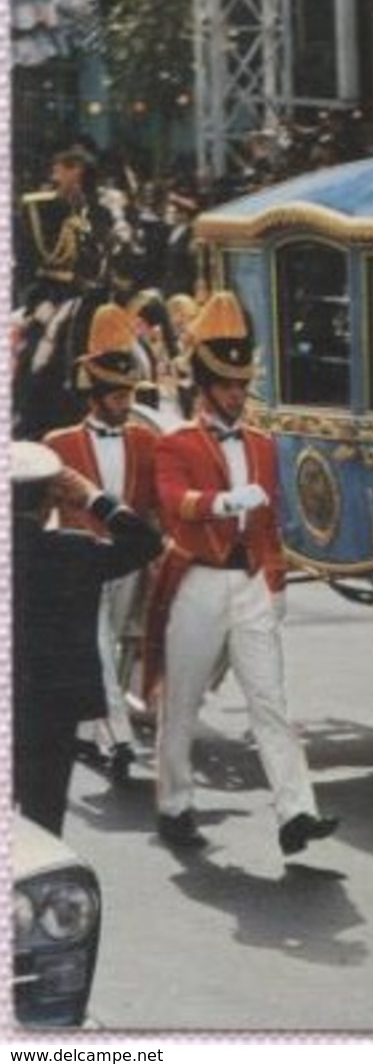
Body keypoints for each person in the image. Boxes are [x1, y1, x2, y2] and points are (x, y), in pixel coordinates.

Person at [147, 290, 339, 855]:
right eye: (228, 385)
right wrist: (225, 502)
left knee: (270, 701)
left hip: (250, 581)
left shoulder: (261, 443)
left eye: (241, 384)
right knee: (182, 700)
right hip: (198, 582)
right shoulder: (175, 443)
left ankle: (296, 812)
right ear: (205, 387)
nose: (237, 394)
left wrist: (275, 582)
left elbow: (270, 524)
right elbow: (173, 501)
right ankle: (175, 803)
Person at [12, 442, 162, 835]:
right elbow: (146, 542)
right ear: (49, 501)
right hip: (53, 711)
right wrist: (93, 498)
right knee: (42, 823)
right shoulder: (73, 552)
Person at [44, 303, 162, 783]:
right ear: (94, 394)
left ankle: (91, 731)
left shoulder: (145, 442)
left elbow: (155, 505)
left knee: (111, 644)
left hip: (127, 561)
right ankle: (120, 741)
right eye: (116, 393)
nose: (125, 401)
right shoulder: (60, 443)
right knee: (94, 645)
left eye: (129, 392)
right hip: (79, 562)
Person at [13, 144, 114, 440]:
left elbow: (102, 258)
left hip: (91, 295)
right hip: (52, 294)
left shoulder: (100, 211)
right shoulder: (42, 208)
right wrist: (34, 300)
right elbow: (32, 259)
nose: (54, 174)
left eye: (60, 168)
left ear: (76, 171)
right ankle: (25, 411)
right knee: (39, 351)